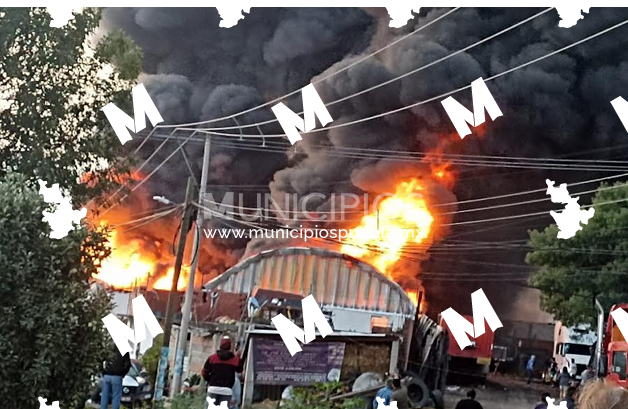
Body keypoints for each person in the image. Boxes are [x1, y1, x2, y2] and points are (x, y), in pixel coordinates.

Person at [202, 336, 243, 409]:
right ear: (230, 346)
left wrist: (210, 380)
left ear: (220, 345)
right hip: (227, 391)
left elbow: (204, 372)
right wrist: (238, 357)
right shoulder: (235, 360)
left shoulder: (212, 358)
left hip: (213, 389)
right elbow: (240, 371)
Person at [101, 344, 131, 409]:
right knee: (116, 397)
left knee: (104, 396)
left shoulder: (108, 347)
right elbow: (128, 364)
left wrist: (103, 371)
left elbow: (101, 359)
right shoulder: (124, 349)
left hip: (107, 374)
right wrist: (123, 373)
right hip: (117, 376)